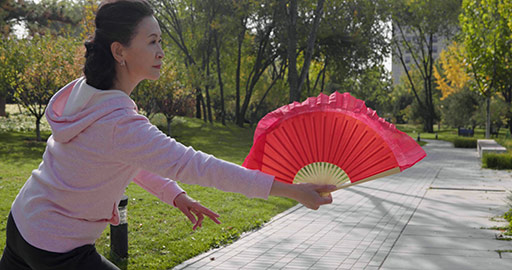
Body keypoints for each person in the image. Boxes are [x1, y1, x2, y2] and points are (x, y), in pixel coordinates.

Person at [0, 1, 336, 269]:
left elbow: (130, 158)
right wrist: (291, 191)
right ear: (120, 52)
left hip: (23, 223)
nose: (161, 51)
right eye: (152, 42)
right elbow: (199, 166)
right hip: (58, 248)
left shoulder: (86, 93)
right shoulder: (120, 123)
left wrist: (175, 195)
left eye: (160, 40)